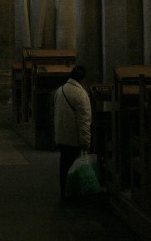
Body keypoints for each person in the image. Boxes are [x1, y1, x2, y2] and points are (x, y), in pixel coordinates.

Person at [54, 64, 92, 199]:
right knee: (75, 166)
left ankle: (64, 191)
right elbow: (84, 121)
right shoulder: (81, 94)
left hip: (62, 135)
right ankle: (74, 193)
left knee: (64, 165)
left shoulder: (60, 90)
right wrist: (86, 141)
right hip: (74, 137)